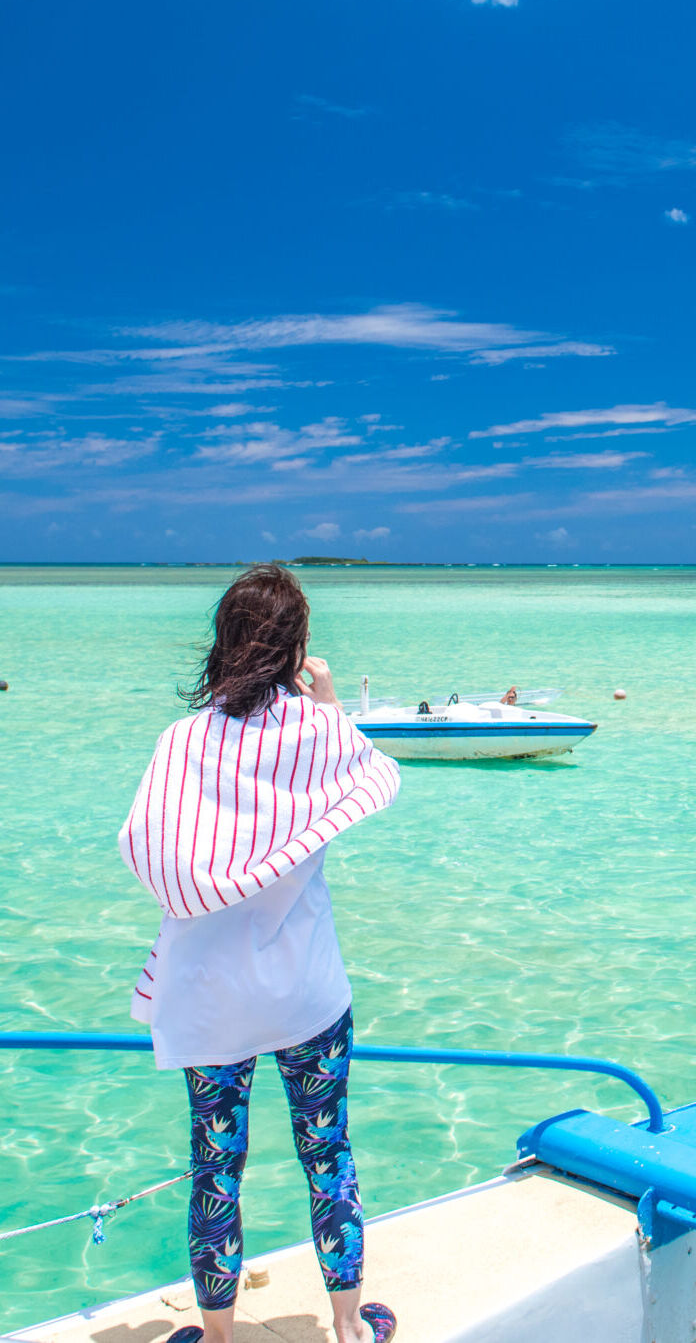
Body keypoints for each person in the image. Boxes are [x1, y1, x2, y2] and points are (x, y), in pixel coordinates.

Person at [119, 564, 401, 1343]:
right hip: (307, 994)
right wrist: (329, 697)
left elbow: (146, 852)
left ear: (224, 642)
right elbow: (373, 777)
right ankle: (348, 1326)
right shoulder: (321, 735)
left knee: (216, 1170)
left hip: (209, 996)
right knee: (326, 1153)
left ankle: (218, 1335)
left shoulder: (182, 741)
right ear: (295, 646)